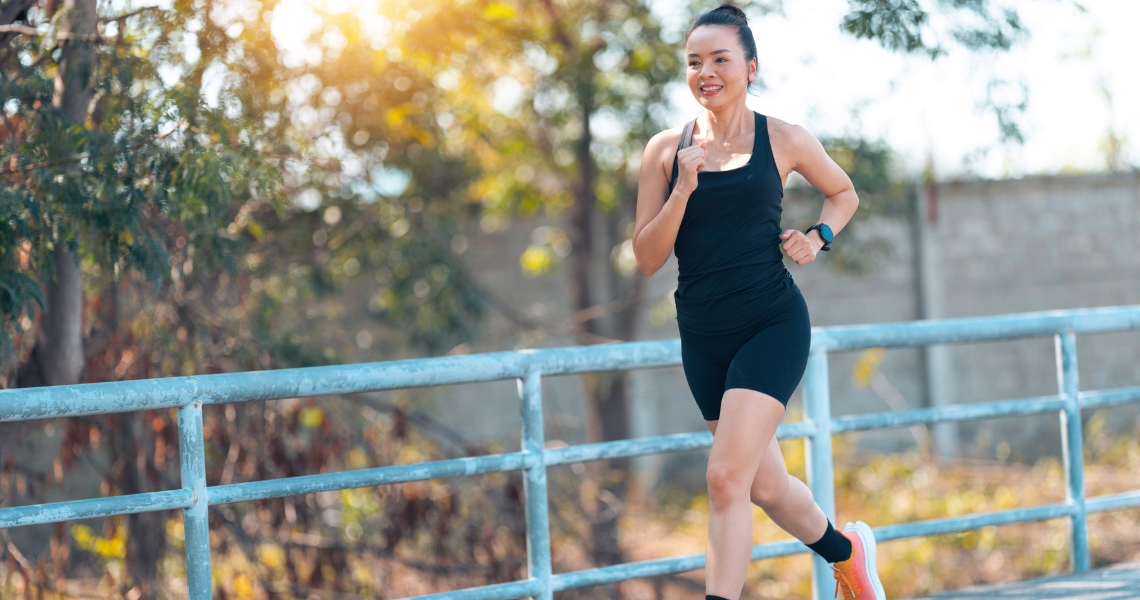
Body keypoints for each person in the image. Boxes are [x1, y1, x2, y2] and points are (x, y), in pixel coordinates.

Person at [631, 4, 886, 600]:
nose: (706, 72)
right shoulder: (666, 152)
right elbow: (646, 256)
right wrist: (683, 190)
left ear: (751, 67)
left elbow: (843, 192)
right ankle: (848, 556)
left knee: (725, 478)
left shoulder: (786, 139)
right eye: (694, 62)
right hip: (703, 335)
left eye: (720, 59)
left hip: (771, 323)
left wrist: (818, 236)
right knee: (766, 488)